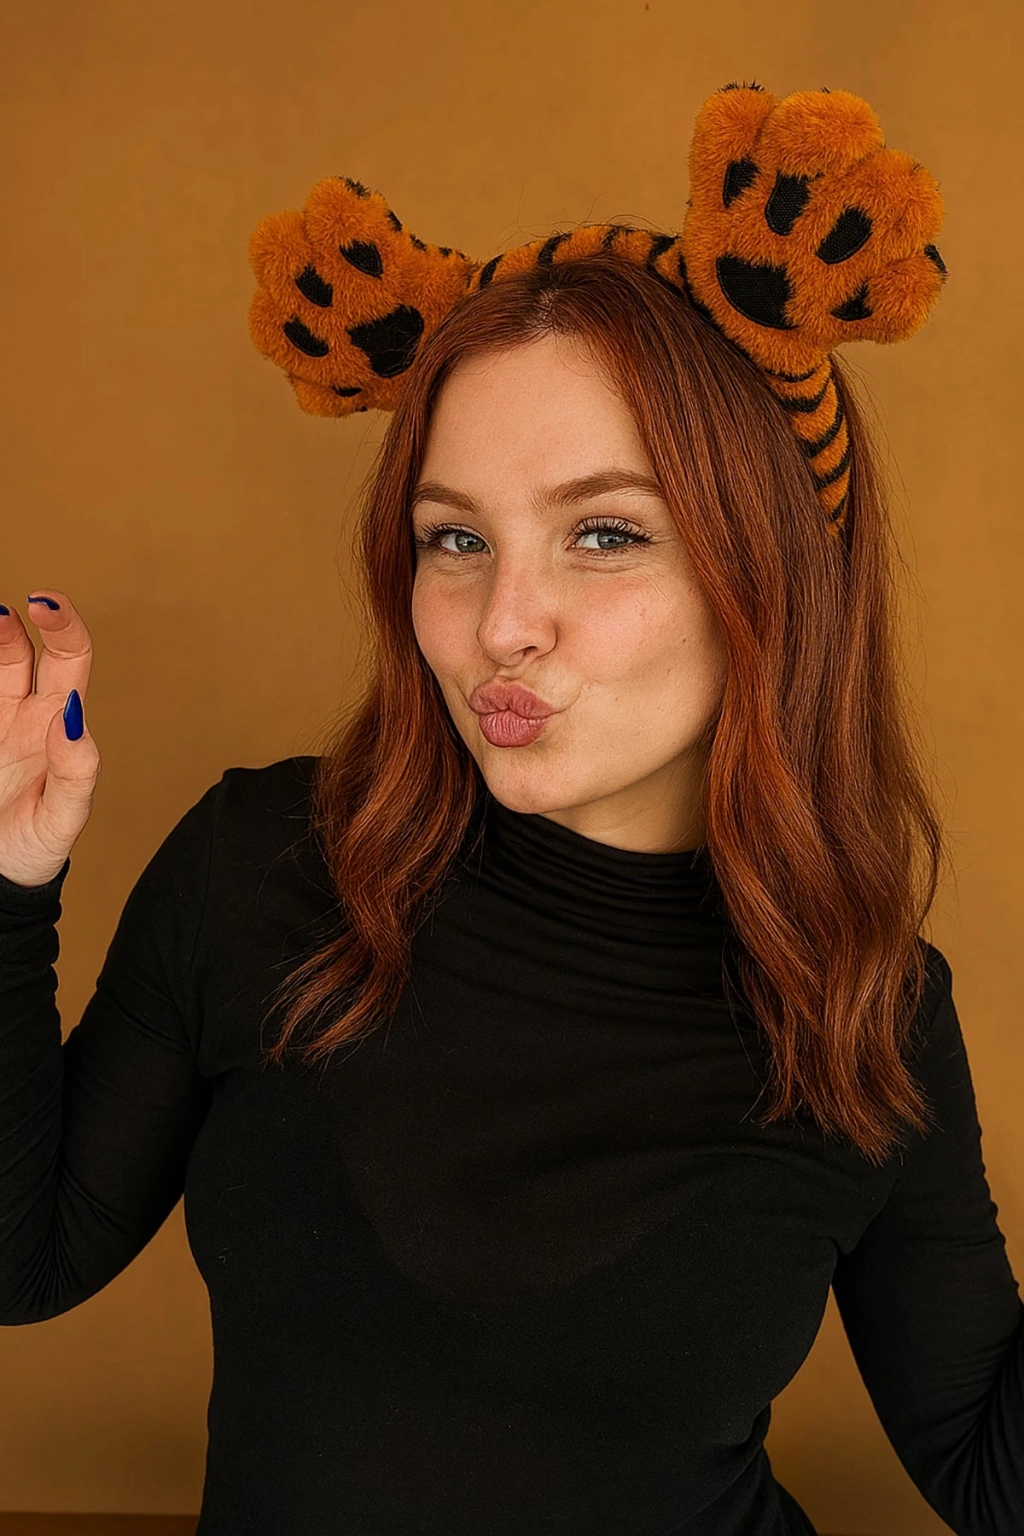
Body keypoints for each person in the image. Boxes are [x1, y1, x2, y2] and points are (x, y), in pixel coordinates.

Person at [1, 152, 1021, 1536]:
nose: (500, 626)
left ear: (773, 575)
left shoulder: (865, 1007)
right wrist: (5, 885)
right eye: (454, 539)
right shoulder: (264, 866)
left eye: (602, 533)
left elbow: (990, 1471)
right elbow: (21, 1260)